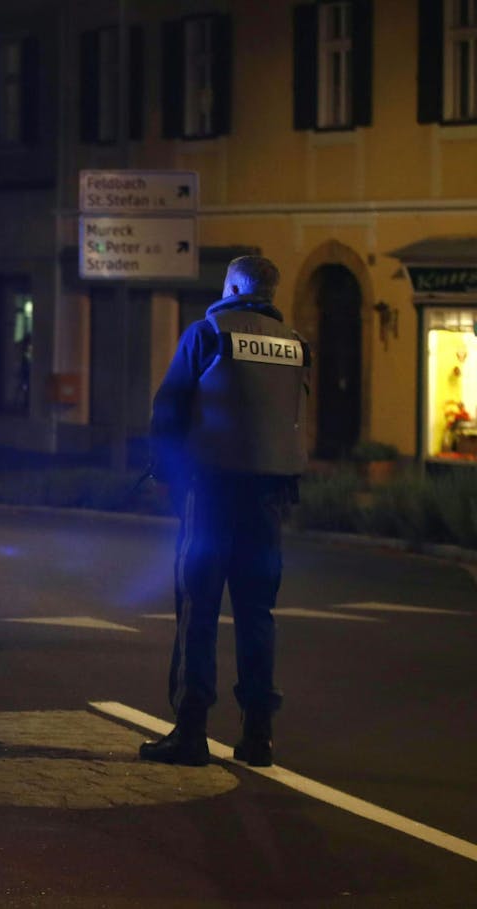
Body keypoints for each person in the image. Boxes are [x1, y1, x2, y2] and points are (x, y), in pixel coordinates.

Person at [141, 255, 309, 768]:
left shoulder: (207, 333)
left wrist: (165, 474)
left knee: (199, 610)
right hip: (271, 499)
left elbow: (167, 409)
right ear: (271, 293)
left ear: (233, 286)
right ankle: (259, 736)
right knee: (258, 613)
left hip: (212, 492)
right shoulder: (297, 345)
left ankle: (191, 732)